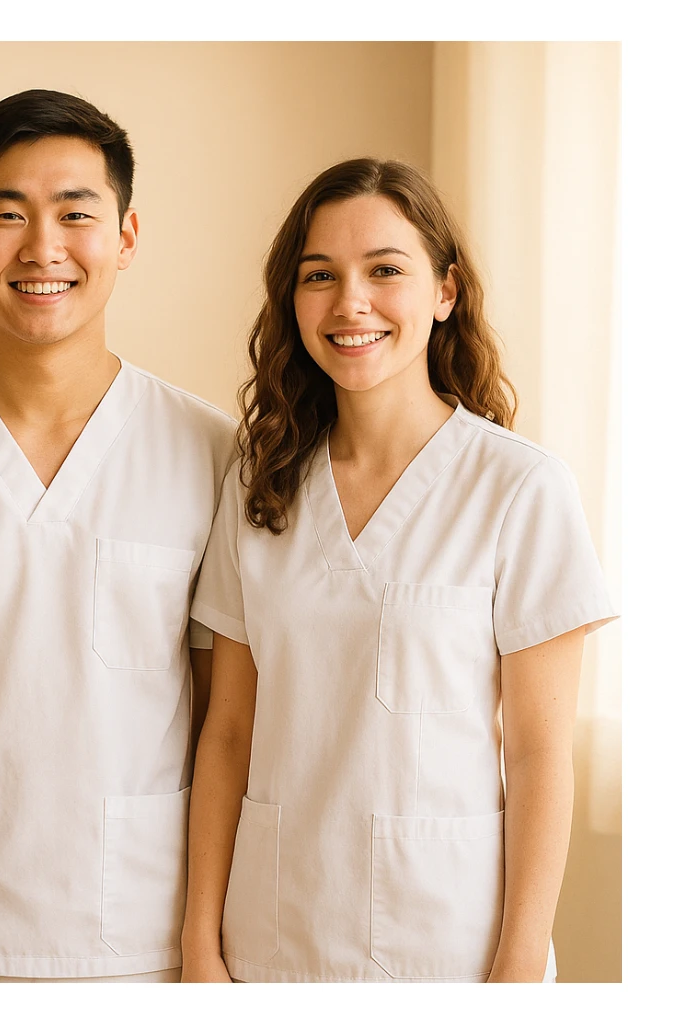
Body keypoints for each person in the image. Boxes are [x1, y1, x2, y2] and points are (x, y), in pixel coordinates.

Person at [181, 157, 616, 983]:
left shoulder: (519, 486)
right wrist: (200, 943)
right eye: (321, 275)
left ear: (445, 292)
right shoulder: (259, 485)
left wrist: (520, 962)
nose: (352, 303)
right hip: (273, 934)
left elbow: (537, 753)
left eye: (386, 270)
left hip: (448, 943)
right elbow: (228, 734)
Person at [0, 89, 236, 982]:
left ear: (127, 236)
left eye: (76, 214)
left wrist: (207, 941)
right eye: (7, 215)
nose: (42, 248)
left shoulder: (210, 452)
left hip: (147, 932)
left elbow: (226, 722)